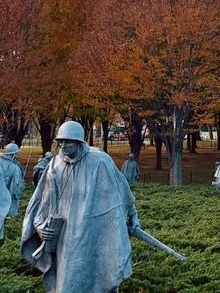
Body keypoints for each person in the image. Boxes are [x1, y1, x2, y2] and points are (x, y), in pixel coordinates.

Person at [21, 121, 140, 293]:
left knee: (101, 274)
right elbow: (42, 202)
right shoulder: (55, 165)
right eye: (61, 141)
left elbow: (121, 191)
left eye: (68, 141)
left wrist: (132, 215)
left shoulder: (99, 161)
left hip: (95, 231)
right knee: (68, 281)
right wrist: (40, 227)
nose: (64, 145)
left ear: (79, 142)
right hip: (66, 236)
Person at [0, 144, 25, 216]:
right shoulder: (15, 168)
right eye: (16, 154)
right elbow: (16, 187)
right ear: (14, 154)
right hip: (9, 195)